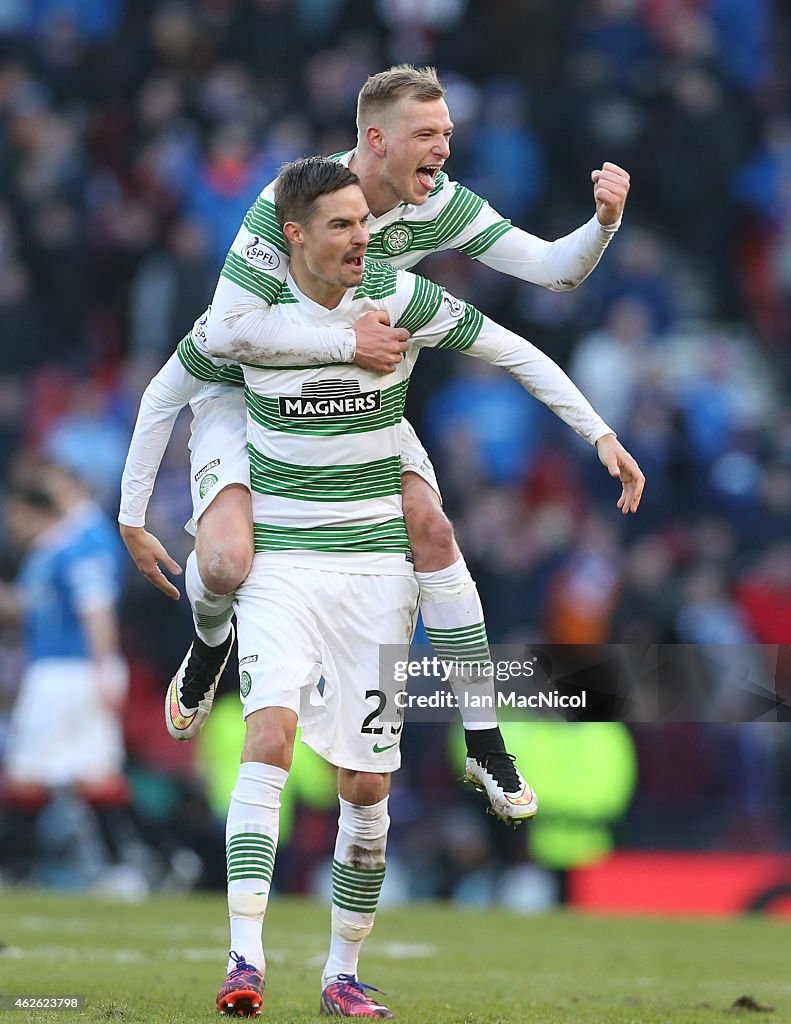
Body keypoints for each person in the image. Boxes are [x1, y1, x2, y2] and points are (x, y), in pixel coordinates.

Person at [120, 64, 631, 822]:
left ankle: (486, 745)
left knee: (432, 528)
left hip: (355, 390)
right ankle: (208, 643)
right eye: (428, 135)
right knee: (225, 564)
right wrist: (339, 342)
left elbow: (553, 273)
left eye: (449, 134)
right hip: (243, 390)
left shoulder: (441, 210)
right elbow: (228, 334)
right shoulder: (290, 204)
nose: (444, 150)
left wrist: (601, 225)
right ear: (375, 139)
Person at [197, 156, 642, 1017]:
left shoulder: (402, 295)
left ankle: (340, 976)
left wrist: (598, 433)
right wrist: (138, 507)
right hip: (284, 562)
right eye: (344, 225)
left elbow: (517, 345)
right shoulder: (249, 309)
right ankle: (242, 962)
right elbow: (194, 363)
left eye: (366, 226)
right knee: (268, 741)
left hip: (373, 575)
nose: (364, 236)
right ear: (299, 234)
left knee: (367, 790)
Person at [0, 466, 132, 884]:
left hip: (68, 672)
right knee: (92, 773)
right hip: (59, 670)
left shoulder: (82, 543)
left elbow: (97, 609)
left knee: (31, 771)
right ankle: (123, 867)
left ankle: (17, 868)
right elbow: (33, 606)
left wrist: (107, 666)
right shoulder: (54, 547)